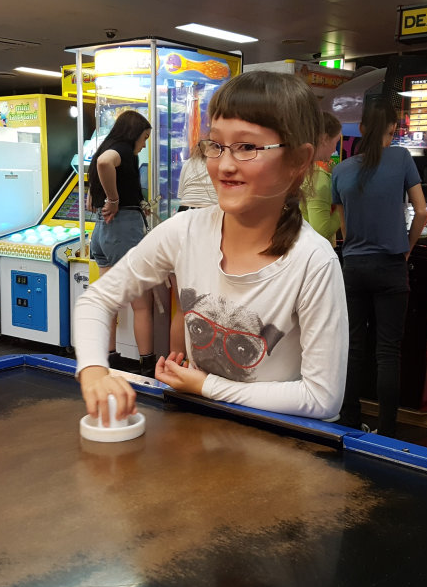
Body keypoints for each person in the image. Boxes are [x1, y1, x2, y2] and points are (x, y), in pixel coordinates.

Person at [74, 71, 348, 426]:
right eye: (216, 145)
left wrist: (207, 386)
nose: (226, 165)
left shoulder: (312, 261)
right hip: (200, 437)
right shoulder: (185, 231)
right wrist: (94, 371)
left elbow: (321, 397)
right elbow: (98, 299)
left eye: (247, 147)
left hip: (280, 450)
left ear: (297, 160)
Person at [331, 97, 427, 437]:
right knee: (388, 351)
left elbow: (343, 226)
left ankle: (349, 419)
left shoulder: (341, 169)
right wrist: (407, 249)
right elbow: (423, 213)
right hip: (390, 266)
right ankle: (387, 430)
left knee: (353, 347)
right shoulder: (401, 158)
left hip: (353, 267)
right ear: (393, 128)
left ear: (361, 129)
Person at [86, 110, 155, 374]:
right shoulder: (122, 150)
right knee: (141, 303)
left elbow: (99, 170)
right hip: (123, 230)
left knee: (108, 302)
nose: (145, 144)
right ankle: (147, 366)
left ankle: (110, 360)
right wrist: (114, 200)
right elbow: (106, 163)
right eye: (145, 137)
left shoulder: (106, 146)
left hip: (103, 233)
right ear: (135, 133)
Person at [170, 140, 219, 354]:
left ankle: (175, 363)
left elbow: (182, 194)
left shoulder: (189, 163)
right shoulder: (219, 162)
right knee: (209, 304)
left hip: (182, 220)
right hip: (208, 220)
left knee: (181, 307)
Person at [300, 111, 343, 246]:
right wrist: (343, 210)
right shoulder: (318, 179)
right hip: (312, 255)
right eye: (335, 142)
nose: (334, 150)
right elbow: (321, 232)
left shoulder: (300, 169)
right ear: (324, 139)